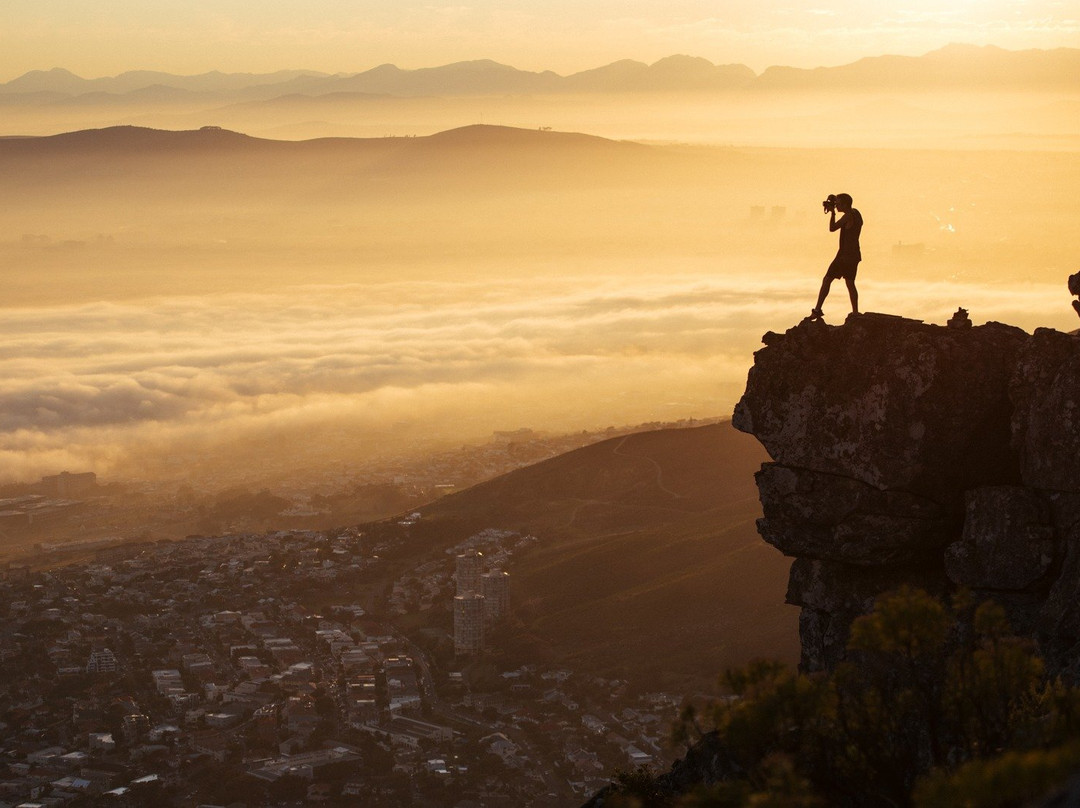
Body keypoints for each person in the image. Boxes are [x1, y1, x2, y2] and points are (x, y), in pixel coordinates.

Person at [810, 193, 862, 320]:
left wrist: (832, 213)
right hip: (854, 254)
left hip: (844, 256)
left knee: (827, 280)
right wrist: (835, 200)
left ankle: (817, 310)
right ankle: (855, 312)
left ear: (845, 204)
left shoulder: (847, 216)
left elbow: (832, 228)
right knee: (850, 283)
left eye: (838, 204)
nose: (836, 206)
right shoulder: (856, 213)